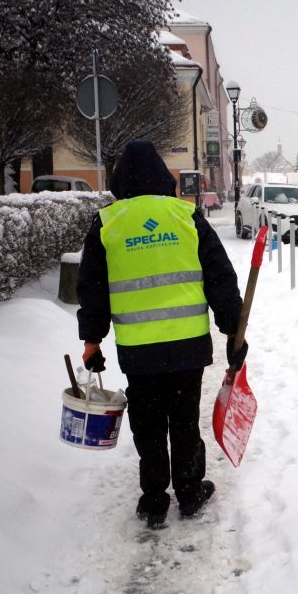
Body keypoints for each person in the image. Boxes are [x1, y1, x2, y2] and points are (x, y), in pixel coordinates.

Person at [77, 140, 247, 530]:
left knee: (148, 425)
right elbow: (219, 277)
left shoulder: (107, 223)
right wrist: (233, 330)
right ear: (162, 177)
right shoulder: (186, 216)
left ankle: (154, 500)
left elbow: (92, 288)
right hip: (187, 346)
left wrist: (92, 340)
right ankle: (189, 492)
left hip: (138, 351)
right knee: (185, 420)